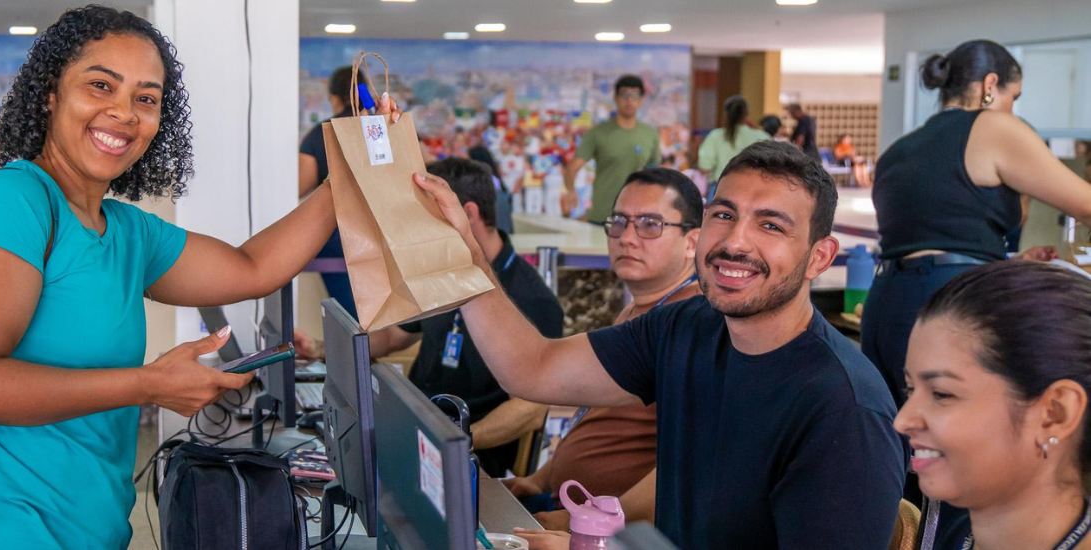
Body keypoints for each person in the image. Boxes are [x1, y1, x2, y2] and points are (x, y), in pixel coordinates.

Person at [0, 8, 402, 549]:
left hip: (92, 532)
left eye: (146, 98)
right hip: (2, 532)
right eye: (100, 85)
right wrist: (148, 384)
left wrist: (351, 171)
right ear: (50, 94)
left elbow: (252, 269)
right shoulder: (9, 202)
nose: (124, 113)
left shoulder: (125, 230)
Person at [413, 140, 906, 549]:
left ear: (819, 257)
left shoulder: (845, 411)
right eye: (724, 214)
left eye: (771, 225)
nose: (735, 242)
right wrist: (468, 253)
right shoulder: (686, 326)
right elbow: (533, 367)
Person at [863, 38, 1091, 543]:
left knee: (906, 459)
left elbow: (932, 240)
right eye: (1016, 96)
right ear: (991, 87)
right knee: (968, 464)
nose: (1015, 110)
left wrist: (1006, 263)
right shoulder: (993, 127)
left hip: (889, 303)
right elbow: (1085, 203)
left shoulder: (902, 147)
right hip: (951, 305)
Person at [504, 168, 702, 539]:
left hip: (612, 533)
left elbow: (688, 467)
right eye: (619, 222)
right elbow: (596, 418)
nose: (627, 237)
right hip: (563, 504)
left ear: (692, 242)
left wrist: (586, 523)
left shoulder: (691, 324)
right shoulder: (636, 310)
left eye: (650, 224)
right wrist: (539, 479)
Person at [368, 157, 563, 477]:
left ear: (467, 213)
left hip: (475, 462)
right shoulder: (443, 268)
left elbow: (531, 409)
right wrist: (321, 348)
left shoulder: (533, 298)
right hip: (414, 435)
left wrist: (457, 442)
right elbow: (394, 337)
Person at [896, 261, 1091, 550]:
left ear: (1054, 414)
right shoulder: (959, 528)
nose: (902, 421)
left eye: (941, 394)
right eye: (911, 389)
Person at [297, 66, 367, 317]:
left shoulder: (320, 135)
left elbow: (299, 186)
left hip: (339, 239)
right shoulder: (381, 128)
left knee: (350, 315)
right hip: (383, 233)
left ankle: (359, 349)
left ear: (334, 99)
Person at [565, 75, 662, 224]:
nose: (629, 100)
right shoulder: (598, 133)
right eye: (624, 95)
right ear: (615, 98)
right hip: (603, 215)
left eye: (634, 95)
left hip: (637, 217)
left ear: (641, 100)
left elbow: (656, 173)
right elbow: (572, 168)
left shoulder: (650, 134)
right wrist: (571, 191)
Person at [697, 95, 771, 200]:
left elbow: (704, 168)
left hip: (721, 189)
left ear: (725, 115)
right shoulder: (762, 136)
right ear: (747, 115)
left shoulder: (715, 136)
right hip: (756, 192)